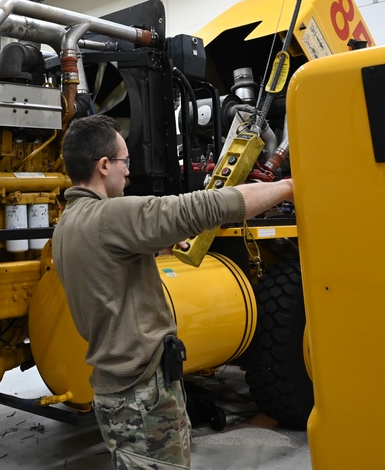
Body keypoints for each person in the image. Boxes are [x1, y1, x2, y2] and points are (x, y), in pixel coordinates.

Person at [52, 114, 294, 469]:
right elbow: (207, 207)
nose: (128, 172)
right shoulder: (112, 216)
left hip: (113, 389)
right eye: (124, 162)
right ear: (104, 166)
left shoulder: (67, 225)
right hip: (143, 393)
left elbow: (108, 272)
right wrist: (289, 187)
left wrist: (148, 247)